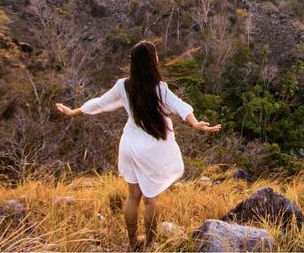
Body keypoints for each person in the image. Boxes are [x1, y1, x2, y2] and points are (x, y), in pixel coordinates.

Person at [55, 41, 221, 250]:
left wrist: (74, 111)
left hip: (130, 144)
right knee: (151, 200)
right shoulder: (160, 89)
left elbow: (100, 103)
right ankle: (150, 244)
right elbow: (180, 106)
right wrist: (196, 123)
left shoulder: (123, 86)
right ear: (153, 62)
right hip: (152, 147)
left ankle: (133, 241)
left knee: (133, 196)